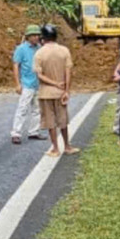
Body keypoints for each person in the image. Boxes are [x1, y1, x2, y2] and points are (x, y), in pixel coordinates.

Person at [33, 24, 80, 158]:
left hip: (46, 92)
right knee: (63, 120)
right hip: (61, 93)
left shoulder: (39, 53)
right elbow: (68, 71)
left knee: (50, 121)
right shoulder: (64, 50)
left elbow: (39, 75)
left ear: (43, 38)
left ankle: (55, 148)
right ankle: (67, 146)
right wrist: (66, 90)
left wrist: (53, 83)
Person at [11, 25, 48, 144]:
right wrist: (17, 84)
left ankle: (34, 131)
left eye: (37, 35)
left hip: (38, 83)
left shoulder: (40, 48)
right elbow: (16, 65)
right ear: (28, 37)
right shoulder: (21, 49)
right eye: (33, 35)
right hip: (27, 84)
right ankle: (16, 133)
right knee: (22, 108)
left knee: (38, 109)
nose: (36, 37)